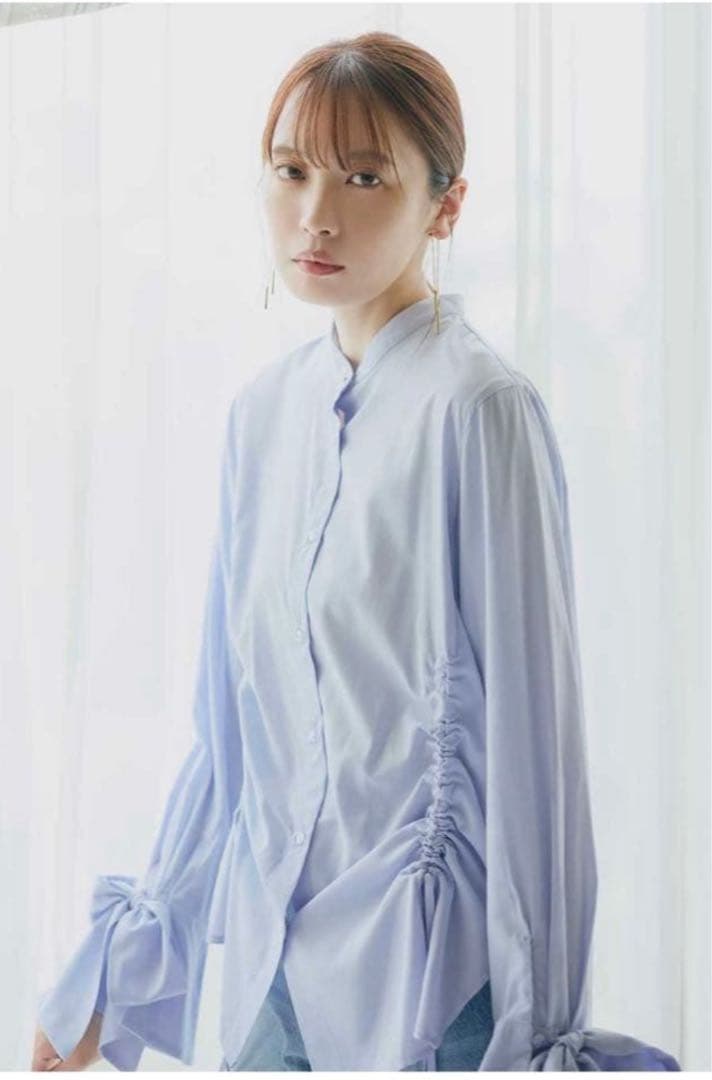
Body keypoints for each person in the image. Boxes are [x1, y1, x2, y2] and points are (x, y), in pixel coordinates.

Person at [32, 30, 681, 1074]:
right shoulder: (262, 417)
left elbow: (538, 758)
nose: (316, 215)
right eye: (291, 171)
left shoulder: (479, 410)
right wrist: (122, 965)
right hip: (271, 969)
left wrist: (538, 1029)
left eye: (365, 177)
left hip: (430, 987)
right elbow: (229, 728)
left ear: (445, 206)